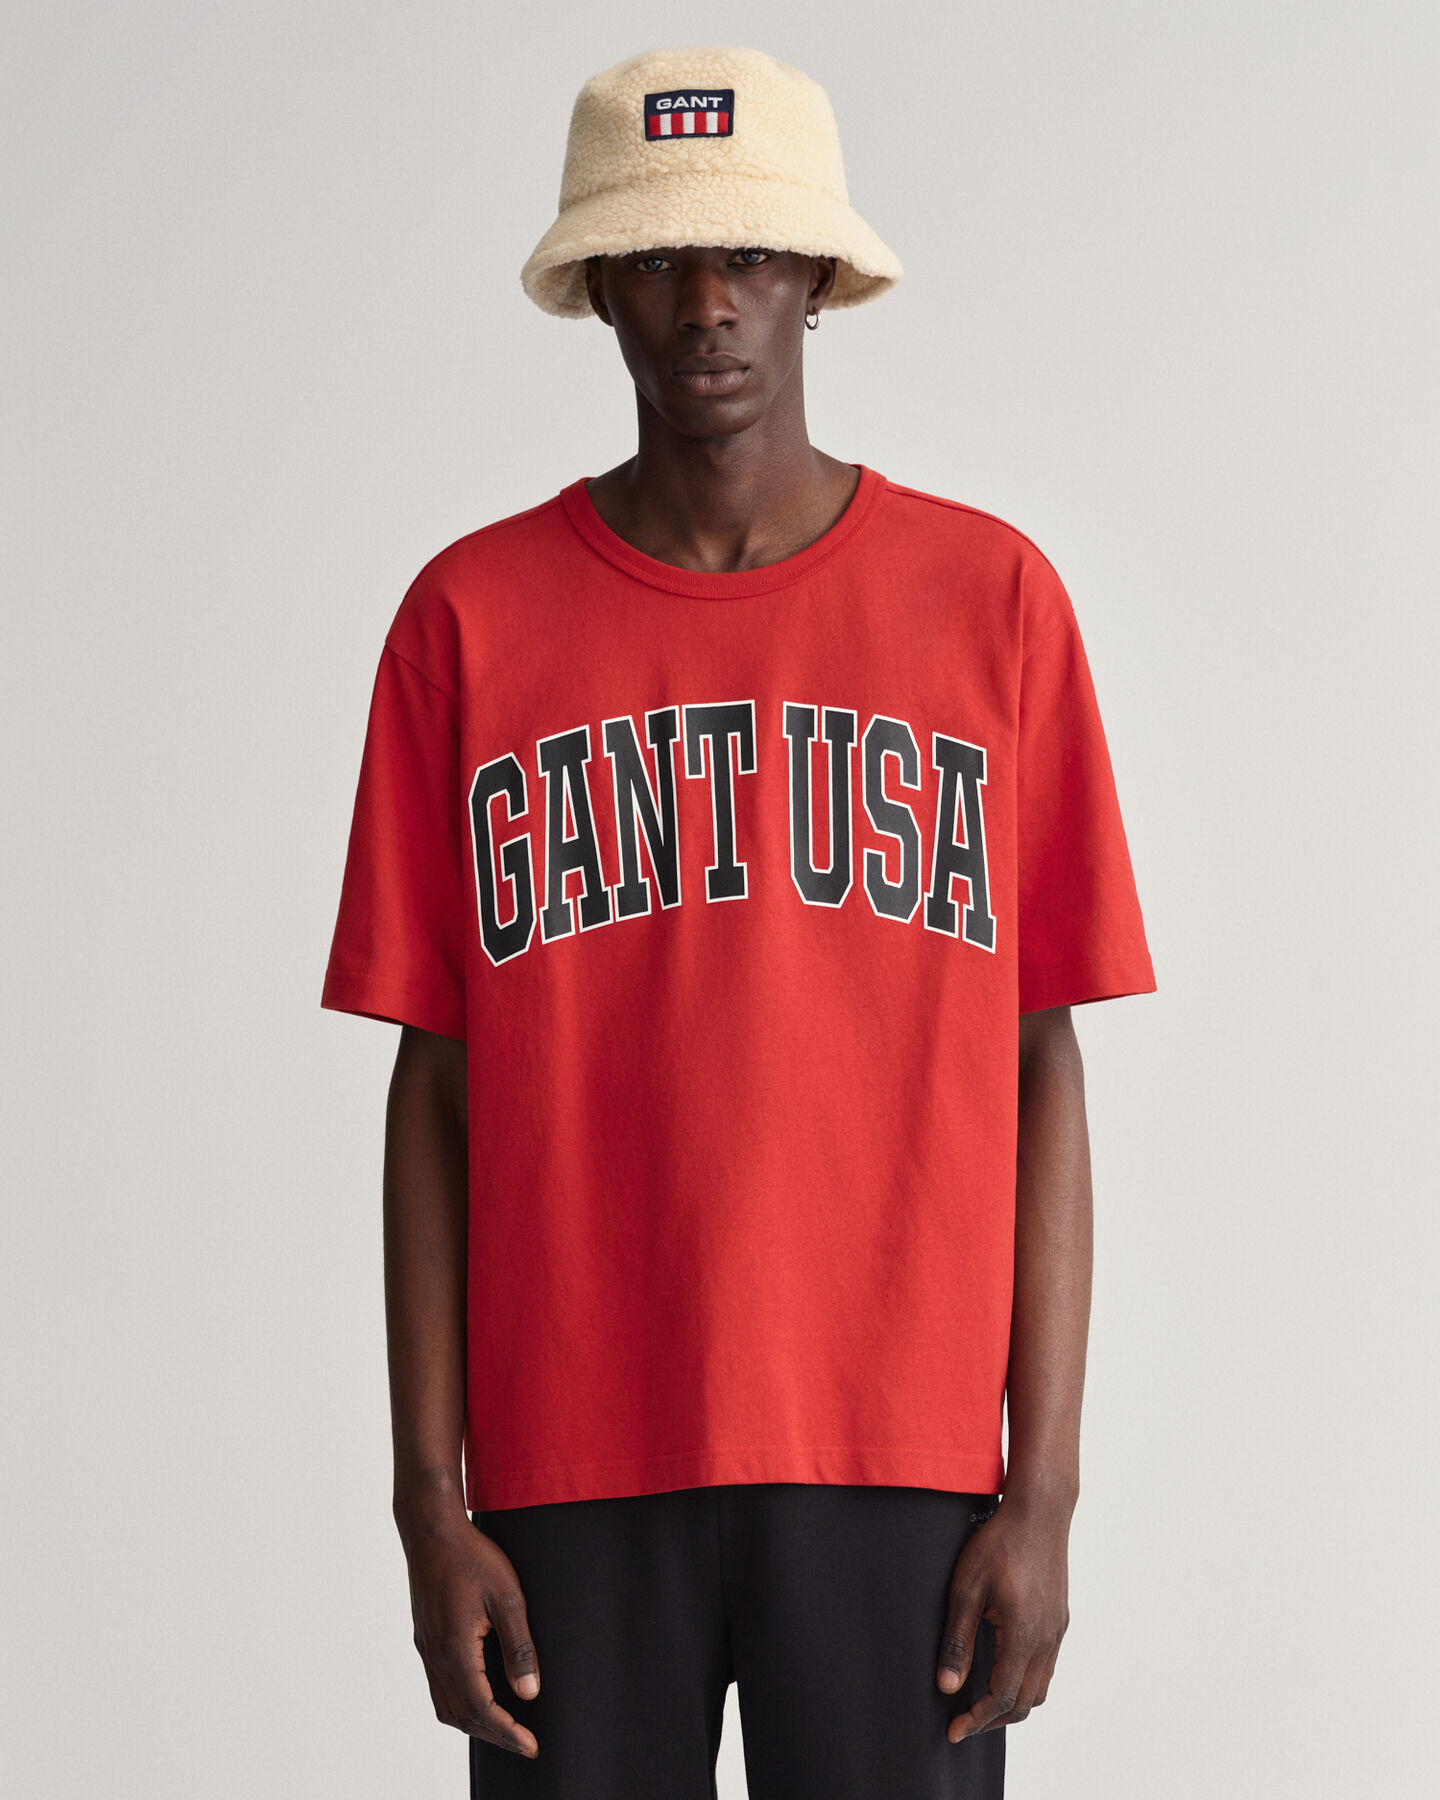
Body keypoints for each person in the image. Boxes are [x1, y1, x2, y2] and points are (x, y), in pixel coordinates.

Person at [321, 44, 1155, 1800]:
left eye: (749, 255)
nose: (706, 302)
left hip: (900, 1457)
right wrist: (428, 1503)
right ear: (599, 291)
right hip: (567, 1461)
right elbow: (432, 1084)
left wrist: (1048, 1492)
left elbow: (1043, 1061)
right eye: (657, 259)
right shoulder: (469, 623)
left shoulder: (991, 603)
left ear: (817, 278)